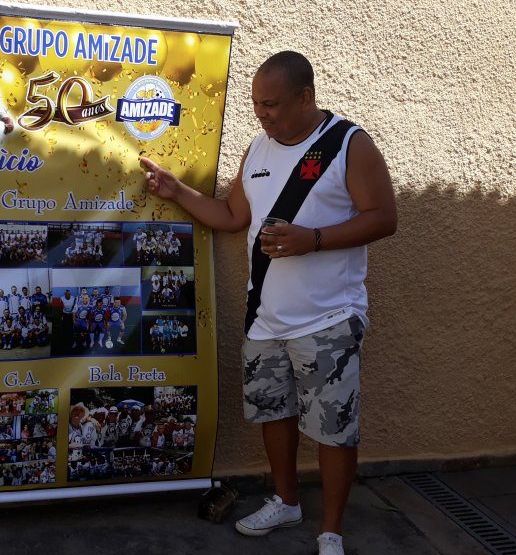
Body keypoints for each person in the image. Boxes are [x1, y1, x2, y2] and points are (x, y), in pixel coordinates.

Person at [141, 51, 397, 555]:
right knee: (273, 415)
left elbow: (384, 217)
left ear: (306, 97)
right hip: (265, 319)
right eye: (257, 104)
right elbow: (233, 216)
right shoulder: (257, 149)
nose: (262, 114)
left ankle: (331, 532)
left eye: (272, 104)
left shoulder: (348, 144)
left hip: (328, 318)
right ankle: (286, 501)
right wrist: (177, 192)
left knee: (333, 429)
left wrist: (313, 240)